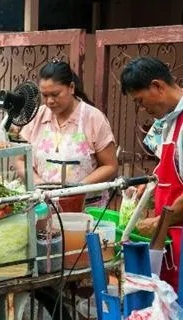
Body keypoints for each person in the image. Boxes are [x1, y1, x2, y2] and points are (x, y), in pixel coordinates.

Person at [15, 60, 118, 204]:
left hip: (86, 206)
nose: (50, 101)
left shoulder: (93, 118)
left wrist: (78, 188)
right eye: (44, 95)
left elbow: (110, 166)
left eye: (55, 94)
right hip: (44, 205)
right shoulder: (36, 117)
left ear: (71, 87)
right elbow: (20, 160)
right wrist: (38, 184)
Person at [121, 56, 183, 291]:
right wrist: (149, 185)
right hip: (171, 239)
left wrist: (158, 223)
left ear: (157, 86)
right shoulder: (168, 121)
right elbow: (170, 168)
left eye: (140, 100)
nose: (142, 108)